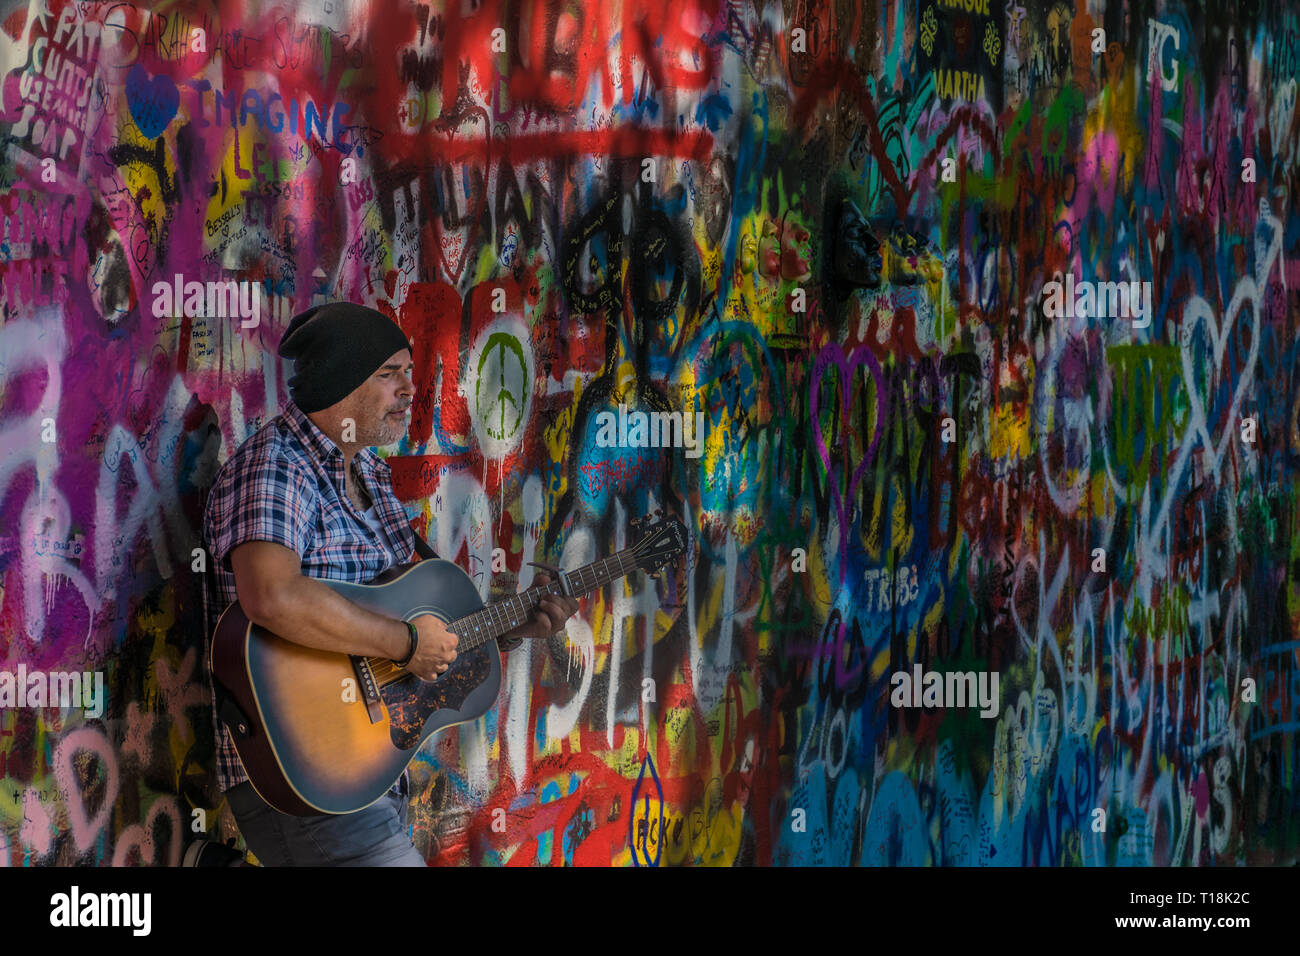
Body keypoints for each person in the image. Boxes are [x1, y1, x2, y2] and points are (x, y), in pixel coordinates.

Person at [199, 301, 578, 866]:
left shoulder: (371, 474)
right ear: (340, 384)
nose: (409, 388)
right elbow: (271, 597)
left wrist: (511, 624)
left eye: (408, 371)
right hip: (302, 775)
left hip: (368, 772)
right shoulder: (277, 465)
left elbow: (423, 613)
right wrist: (404, 644)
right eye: (389, 374)